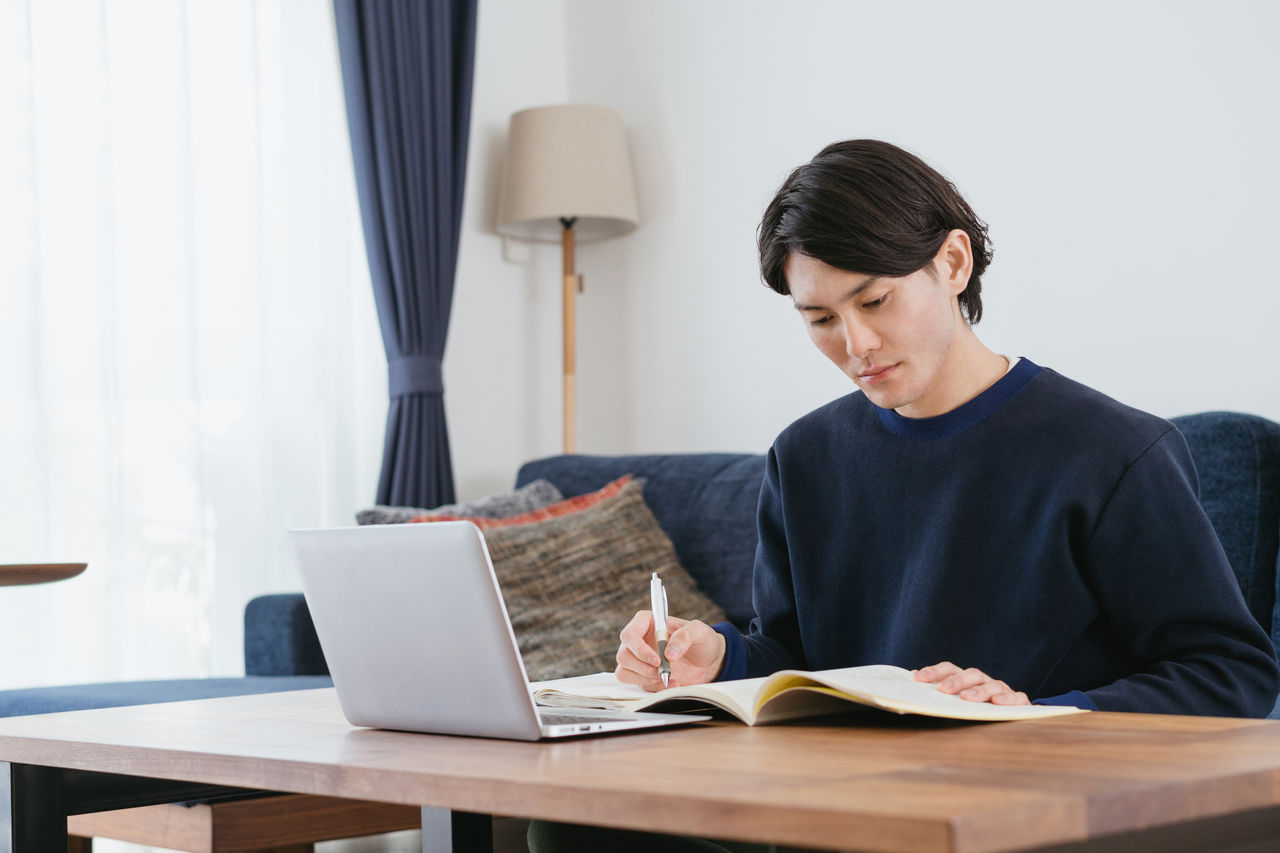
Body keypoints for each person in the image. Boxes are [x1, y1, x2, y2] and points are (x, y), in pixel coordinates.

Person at [529, 139, 1280, 852]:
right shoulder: (805, 455)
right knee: (573, 826)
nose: (855, 345)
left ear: (953, 262)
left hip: (1011, 812)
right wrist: (717, 657)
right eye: (820, 319)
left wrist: (1036, 715)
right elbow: (792, 654)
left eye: (875, 302)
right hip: (830, 806)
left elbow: (1232, 672)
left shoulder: (1111, 450)